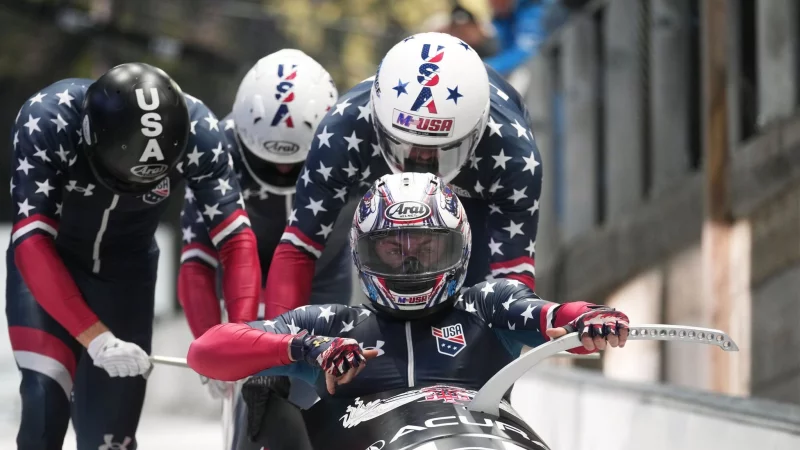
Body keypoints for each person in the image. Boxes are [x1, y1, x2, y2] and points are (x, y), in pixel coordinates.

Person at [187, 172, 629, 441]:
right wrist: (306, 349)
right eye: (394, 251)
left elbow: (554, 319)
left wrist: (589, 320)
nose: (412, 262)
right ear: (365, 254)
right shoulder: (333, 328)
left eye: (428, 248)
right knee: (262, 391)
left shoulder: (488, 306)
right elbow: (205, 352)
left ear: (459, 248)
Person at [7, 62, 260, 450]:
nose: (129, 189)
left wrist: (238, 340)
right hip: (49, 262)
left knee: (110, 440)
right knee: (45, 401)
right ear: (90, 136)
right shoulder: (48, 118)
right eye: (120, 178)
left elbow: (237, 239)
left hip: (126, 275)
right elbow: (30, 241)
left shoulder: (201, 132)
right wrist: (96, 338)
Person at [263, 31, 542, 321]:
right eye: (407, 144)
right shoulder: (343, 130)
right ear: (378, 121)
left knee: (475, 297)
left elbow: (511, 279)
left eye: (439, 149)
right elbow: (299, 247)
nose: (421, 158)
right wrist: (277, 345)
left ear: (476, 131)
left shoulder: (514, 154)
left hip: (475, 193)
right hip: (379, 177)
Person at [178, 49, 342, 449]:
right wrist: (217, 343)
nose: (283, 171)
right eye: (268, 161)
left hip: (323, 268)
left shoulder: (344, 142)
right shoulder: (215, 146)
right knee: (252, 387)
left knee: (315, 388)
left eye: (294, 163)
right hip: (237, 265)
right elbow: (196, 261)